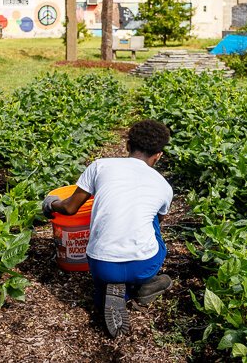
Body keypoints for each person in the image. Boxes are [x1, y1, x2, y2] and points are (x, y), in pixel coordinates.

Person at [43, 119, 174, 338]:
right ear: (159, 155)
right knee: (151, 221)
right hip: (144, 264)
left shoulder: (100, 166)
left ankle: (108, 290)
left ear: (127, 146)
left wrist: (50, 203)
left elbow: (70, 208)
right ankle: (141, 286)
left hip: (100, 264)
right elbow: (155, 224)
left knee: (110, 212)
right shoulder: (163, 185)